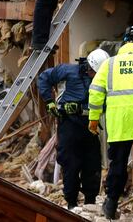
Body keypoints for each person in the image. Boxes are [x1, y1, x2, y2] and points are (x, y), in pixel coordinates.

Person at [88, 25, 133, 219]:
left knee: (118, 165)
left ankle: (111, 205)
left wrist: (93, 118)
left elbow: (95, 92)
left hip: (119, 123)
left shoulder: (109, 64)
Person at [38, 48, 110, 209]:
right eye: (94, 73)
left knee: (92, 163)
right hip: (69, 124)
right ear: (88, 67)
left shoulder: (103, 78)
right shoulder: (69, 71)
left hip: (90, 125)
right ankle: (71, 202)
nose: (95, 76)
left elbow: (106, 101)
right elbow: (44, 78)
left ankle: (90, 201)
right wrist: (49, 101)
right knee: (70, 163)